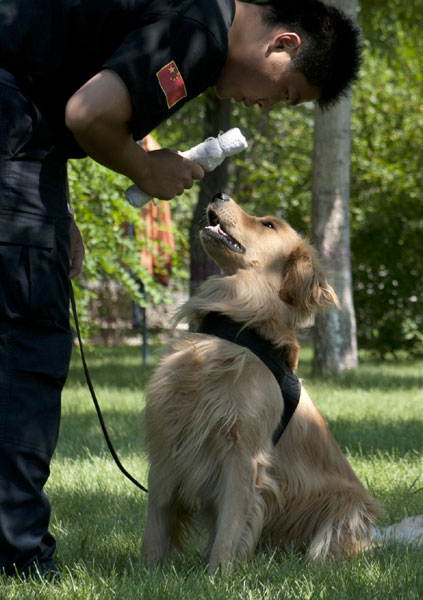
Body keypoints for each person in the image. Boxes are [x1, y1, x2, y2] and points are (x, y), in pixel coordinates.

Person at [0, 0, 362, 579]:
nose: (265, 107)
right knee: (24, 346)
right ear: (283, 44)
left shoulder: (192, 18)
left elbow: (44, 82)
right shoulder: (201, 35)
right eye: (285, 94)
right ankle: (13, 558)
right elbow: (88, 112)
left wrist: (52, 205)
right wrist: (144, 169)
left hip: (21, 138)